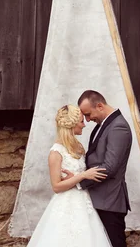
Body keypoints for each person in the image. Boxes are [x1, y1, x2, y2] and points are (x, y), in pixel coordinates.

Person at [27, 105, 112, 246]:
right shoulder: (56, 152)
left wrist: (74, 177)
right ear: (72, 125)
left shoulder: (78, 147)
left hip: (84, 202)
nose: (84, 125)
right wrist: (81, 176)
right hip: (66, 203)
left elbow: (75, 176)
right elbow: (56, 186)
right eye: (81, 122)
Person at [77, 90, 132, 247]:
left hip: (110, 201)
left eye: (88, 114)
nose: (87, 120)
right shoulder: (103, 125)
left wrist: (79, 182)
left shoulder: (118, 127)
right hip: (99, 199)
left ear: (100, 106)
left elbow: (109, 167)